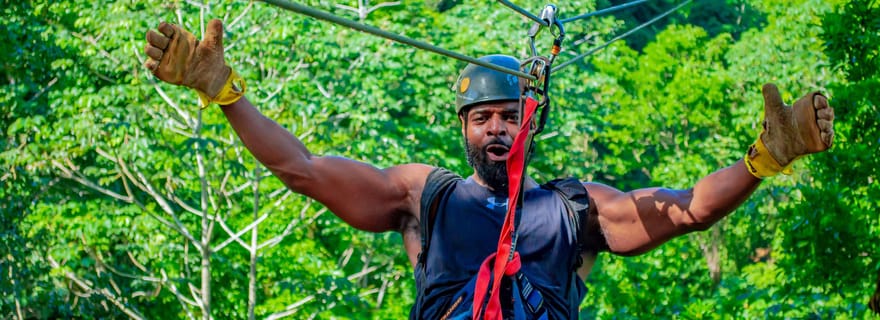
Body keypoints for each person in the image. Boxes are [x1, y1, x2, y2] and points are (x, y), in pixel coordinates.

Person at [144, 20, 835, 319]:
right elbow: (302, 168)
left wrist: (764, 159)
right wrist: (226, 94)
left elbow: (687, 209)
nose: (497, 128)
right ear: (465, 129)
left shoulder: (575, 209)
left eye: (509, 115)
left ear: (529, 122)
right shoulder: (427, 197)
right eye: (483, 119)